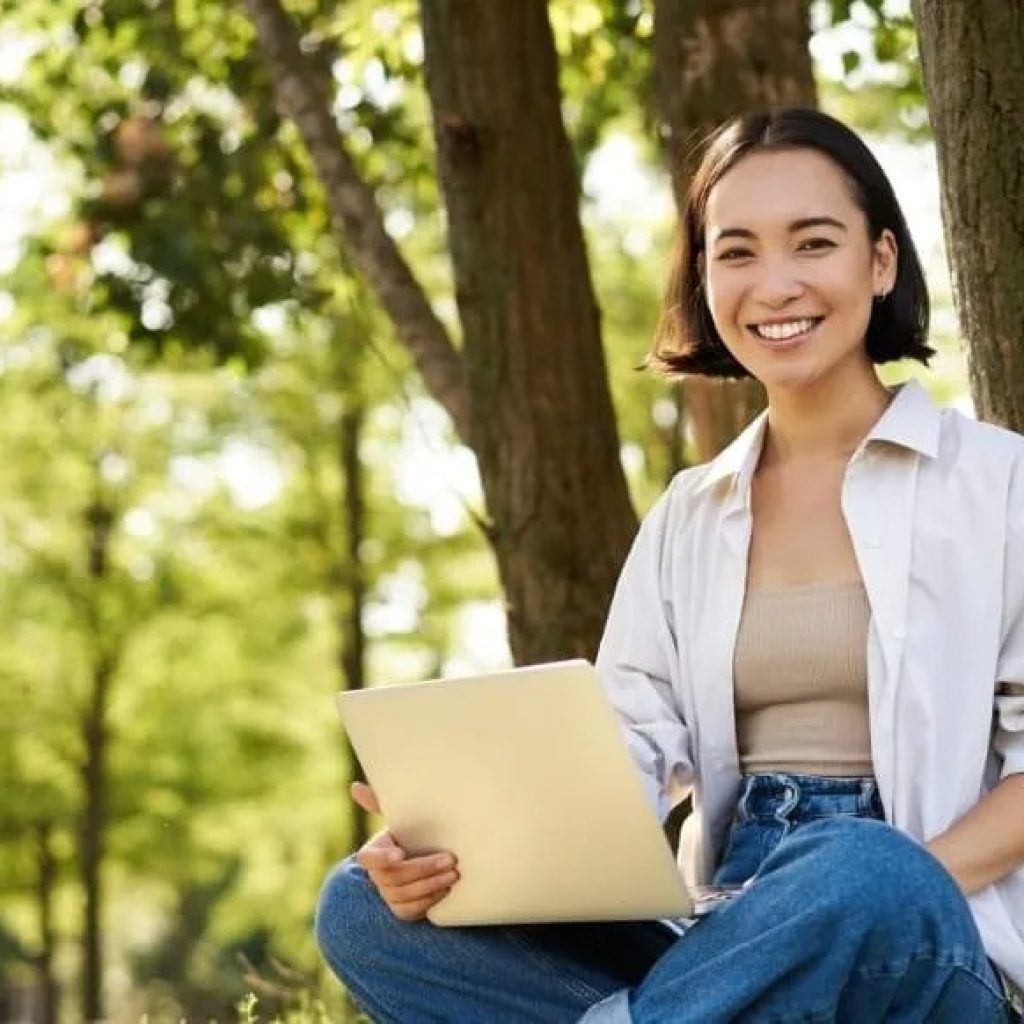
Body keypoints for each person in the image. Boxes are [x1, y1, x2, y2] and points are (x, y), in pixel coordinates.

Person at [314, 108, 1024, 1022]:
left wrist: (885, 888)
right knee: (361, 907)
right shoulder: (693, 513)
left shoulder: (999, 484)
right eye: (736, 253)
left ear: (880, 262)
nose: (775, 284)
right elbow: (625, 748)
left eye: (813, 243)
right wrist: (464, 828)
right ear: (704, 278)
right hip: (724, 936)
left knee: (861, 863)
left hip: (924, 938)